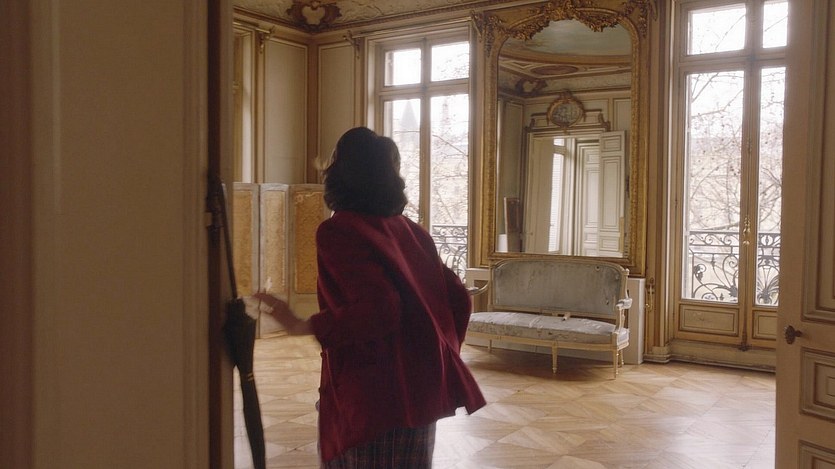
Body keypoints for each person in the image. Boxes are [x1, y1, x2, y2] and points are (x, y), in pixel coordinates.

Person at [252, 127, 486, 468]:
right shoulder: (412, 231)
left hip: (373, 395)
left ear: (340, 171)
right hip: (422, 393)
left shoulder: (339, 230)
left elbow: (379, 310)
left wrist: (300, 325)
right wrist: (428, 358)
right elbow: (460, 301)